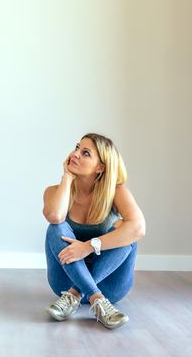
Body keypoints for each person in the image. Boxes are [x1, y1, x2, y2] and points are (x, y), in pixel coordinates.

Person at [42, 133, 145, 329]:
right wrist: (67, 177)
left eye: (86, 153)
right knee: (56, 227)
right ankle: (95, 298)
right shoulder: (52, 192)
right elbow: (55, 216)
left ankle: (78, 293)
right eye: (77, 148)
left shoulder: (116, 192)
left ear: (101, 167)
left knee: (126, 228)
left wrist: (89, 246)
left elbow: (138, 228)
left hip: (110, 287)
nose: (76, 154)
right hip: (64, 282)